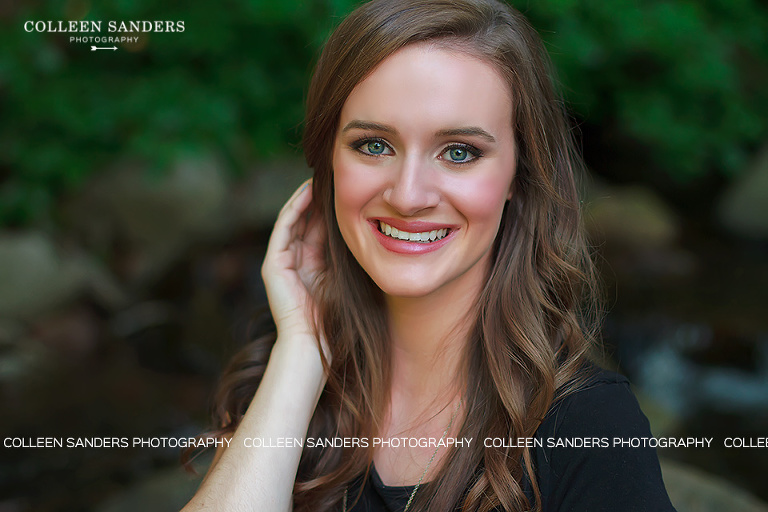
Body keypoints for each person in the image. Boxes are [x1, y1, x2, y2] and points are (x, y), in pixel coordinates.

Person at [182, 0, 677, 511]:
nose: (408, 194)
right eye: (374, 145)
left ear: (519, 177)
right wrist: (304, 347)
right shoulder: (285, 375)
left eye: (459, 151)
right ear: (328, 162)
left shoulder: (592, 427)